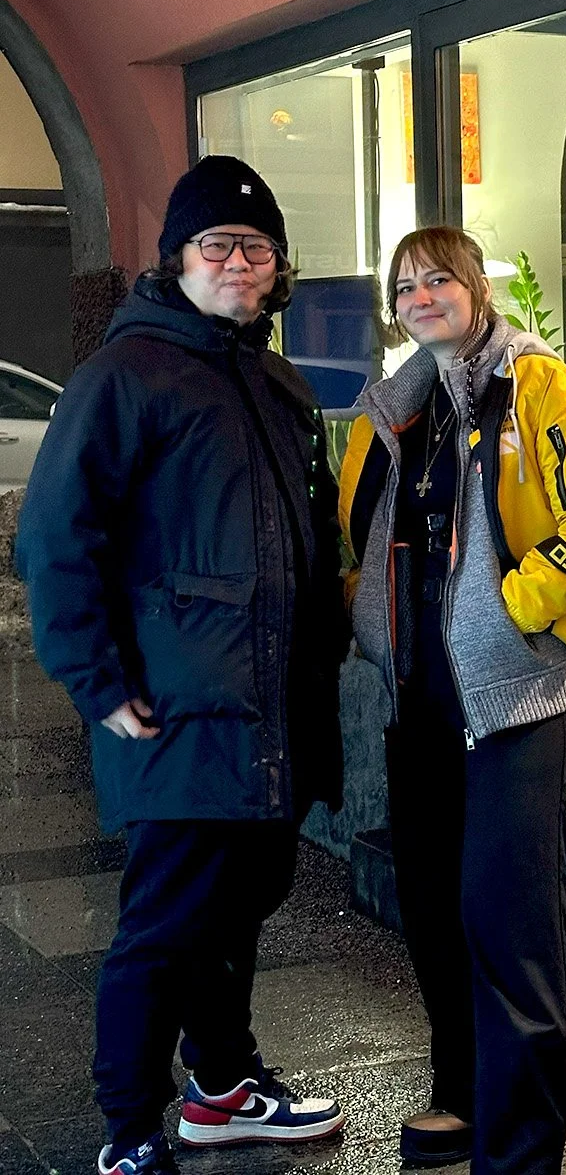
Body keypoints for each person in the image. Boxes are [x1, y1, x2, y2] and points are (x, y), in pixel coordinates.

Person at [16, 156, 348, 1175]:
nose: (241, 262)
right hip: (181, 711)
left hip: (270, 713)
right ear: (180, 259)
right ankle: (127, 1133)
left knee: (236, 906)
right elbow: (55, 539)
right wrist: (99, 682)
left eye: (258, 247)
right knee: (165, 928)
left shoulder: (277, 382)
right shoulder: (124, 377)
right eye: (220, 244)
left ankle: (222, 1087)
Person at [339, 226, 566, 1174]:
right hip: (420, 694)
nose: (422, 296)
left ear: (475, 288)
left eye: (439, 279)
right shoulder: (397, 406)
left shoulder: (544, 387)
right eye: (406, 285)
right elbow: (363, 537)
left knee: (510, 924)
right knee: (433, 906)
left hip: (514, 697)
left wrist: (520, 613)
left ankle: (520, 1153)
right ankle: (462, 1099)